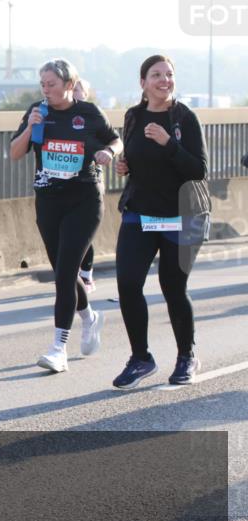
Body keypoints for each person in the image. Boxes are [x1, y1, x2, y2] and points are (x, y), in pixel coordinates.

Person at [10, 59, 123, 373]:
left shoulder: (88, 113)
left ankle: (58, 348)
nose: (46, 90)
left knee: (64, 274)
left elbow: (115, 139)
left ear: (69, 85)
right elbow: (15, 153)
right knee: (63, 270)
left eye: (52, 84)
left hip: (84, 200)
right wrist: (30, 127)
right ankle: (89, 316)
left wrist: (108, 152)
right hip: (49, 202)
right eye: (42, 84)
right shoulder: (37, 111)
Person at [111, 55, 210, 389]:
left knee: (173, 288)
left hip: (181, 216)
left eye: (169, 74)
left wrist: (169, 143)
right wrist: (124, 165)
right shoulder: (133, 116)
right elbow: (135, 157)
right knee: (127, 284)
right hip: (140, 213)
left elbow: (198, 170)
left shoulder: (184, 118)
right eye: (156, 75)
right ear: (143, 83)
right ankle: (141, 358)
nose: (164, 80)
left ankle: (186, 356)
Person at [73, 78, 97, 294]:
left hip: (91, 180)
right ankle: (71, 276)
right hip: (65, 184)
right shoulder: (56, 115)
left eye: (78, 90)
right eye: (71, 88)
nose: (74, 92)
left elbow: (109, 141)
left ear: (86, 94)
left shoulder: (92, 115)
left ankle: (86, 274)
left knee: (84, 232)